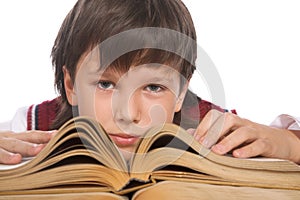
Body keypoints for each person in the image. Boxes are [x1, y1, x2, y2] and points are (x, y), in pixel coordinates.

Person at [0, 0, 299, 164]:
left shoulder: (214, 131)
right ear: (71, 86)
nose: (128, 114)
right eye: (106, 84)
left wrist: (290, 146)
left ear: (182, 92)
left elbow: (271, 147)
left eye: (153, 87)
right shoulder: (33, 126)